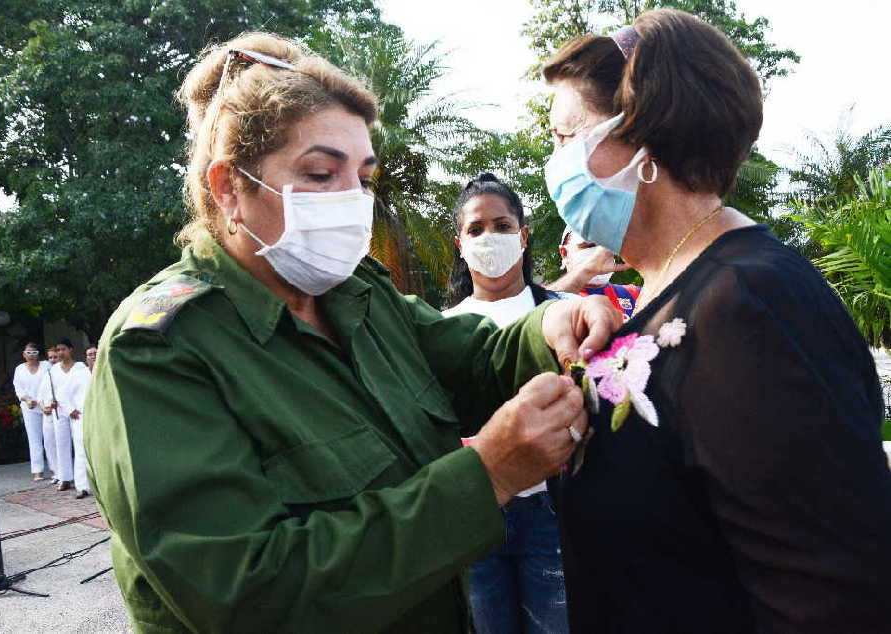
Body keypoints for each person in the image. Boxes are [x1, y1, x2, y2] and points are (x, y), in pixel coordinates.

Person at [84, 32, 619, 634]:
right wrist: (487, 476)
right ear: (228, 187)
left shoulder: (356, 294)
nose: (350, 202)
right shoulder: (158, 350)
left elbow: (474, 360)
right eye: (318, 174)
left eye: (363, 178)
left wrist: (550, 322)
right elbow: (246, 593)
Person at [542, 10, 891, 633]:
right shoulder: (664, 287)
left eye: (568, 137)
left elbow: (828, 591)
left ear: (642, 141)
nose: (555, 161)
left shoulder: (746, 303)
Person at [442, 173, 569, 634]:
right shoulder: (441, 329)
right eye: (476, 229)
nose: (489, 237)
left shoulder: (563, 312)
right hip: (476, 517)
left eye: (501, 225)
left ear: (523, 235)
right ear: (460, 243)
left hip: (553, 514)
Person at [552, 227, 640, 319]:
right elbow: (540, 310)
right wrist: (586, 270)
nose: (601, 253)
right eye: (590, 246)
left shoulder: (634, 294)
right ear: (564, 253)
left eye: (607, 245)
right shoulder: (549, 297)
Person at [39, 338, 89, 492]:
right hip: (59, 410)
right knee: (61, 444)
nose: (60, 353)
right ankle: (65, 477)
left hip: (77, 411)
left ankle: (82, 484)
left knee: (80, 444)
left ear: (71, 350)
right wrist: (48, 403)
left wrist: (75, 408)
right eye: (58, 350)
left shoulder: (81, 368)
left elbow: (85, 390)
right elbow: (47, 391)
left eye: (63, 349)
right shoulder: (53, 371)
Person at [12, 342, 53, 481]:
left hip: (46, 406)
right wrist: (27, 399)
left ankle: (55, 469)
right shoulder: (19, 369)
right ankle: (37, 471)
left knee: (49, 438)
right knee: (34, 438)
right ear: (24, 355)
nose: (31, 355)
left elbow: (52, 383)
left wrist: (46, 402)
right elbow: (18, 388)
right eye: (28, 353)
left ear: (38, 354)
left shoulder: (46, 365)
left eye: (34, 352)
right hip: (29, 407)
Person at [71, 347, 94, 498]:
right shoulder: (79, 375)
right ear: (86, 358)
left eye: (96, 354)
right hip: (81, 416)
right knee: (81, 451)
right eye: (90, 354)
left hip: (101, 416)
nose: (93, 356)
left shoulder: (106, 372)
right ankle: (82, 487)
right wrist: (70, 409)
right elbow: (64, 394)